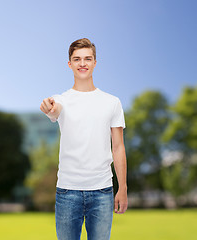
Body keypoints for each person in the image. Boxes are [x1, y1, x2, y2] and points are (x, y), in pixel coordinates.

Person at [40, 38, 128, 240]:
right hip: (67, 192)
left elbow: (119, 147)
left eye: (88, 58)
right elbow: (54, 110)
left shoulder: (112, 102)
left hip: (102, 191)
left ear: (95, 62)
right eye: (77, 59)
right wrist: (49, 107)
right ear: (69, 64)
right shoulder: (61, 99)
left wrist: (122, 188)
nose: (82, 63)